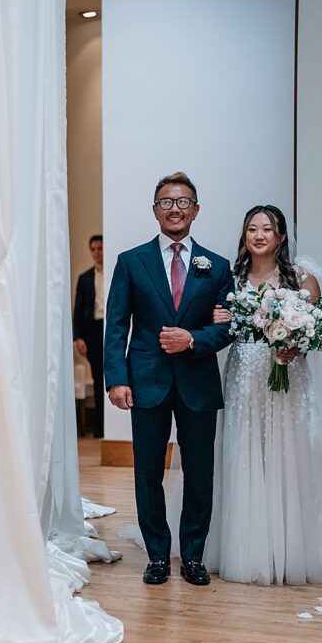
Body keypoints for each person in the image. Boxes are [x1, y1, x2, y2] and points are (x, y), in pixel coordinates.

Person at [203, 205, 322, 585]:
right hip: (244, 377)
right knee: (246, 453)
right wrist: (217, 318)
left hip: (290, 379)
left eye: (267, 229)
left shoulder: (300, 278)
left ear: (281, 236)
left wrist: (297, 347)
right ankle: (248, 547)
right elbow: (219, 320)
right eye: (252, 229)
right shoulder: (232, 278)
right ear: (244, 236)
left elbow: (314, 330)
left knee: (289, 456)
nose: (259, 236)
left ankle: (294, 549)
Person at [104, 171, 234, 586]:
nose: (174, 208)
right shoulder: (130, 261)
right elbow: (116, 326)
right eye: (166, 202)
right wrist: (116, 379)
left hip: (197, 383)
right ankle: (158, 554)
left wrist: (192, 339)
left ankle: (193, 555)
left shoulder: (216, 266)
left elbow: (229, 326)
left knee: (199, 473)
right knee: (147, 472)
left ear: (196, 209)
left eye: (182, 201)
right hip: (146, 381)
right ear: (155, 209)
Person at [73, 234, 105, 437]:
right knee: (97, 377)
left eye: (100, 248)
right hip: (92, 330)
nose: (97, 253)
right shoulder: (85, 278)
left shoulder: (114, 272)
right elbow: (79, 309)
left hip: (109, 327)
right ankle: (100, 426)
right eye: (93, 249)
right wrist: (78, 337)